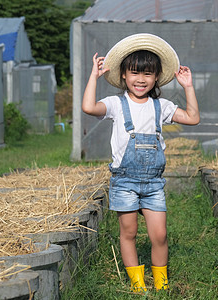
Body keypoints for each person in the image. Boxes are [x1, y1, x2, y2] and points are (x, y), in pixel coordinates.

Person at [82, 33, 200, 292]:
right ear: (124, 74)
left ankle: (161, 285)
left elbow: (192, 118)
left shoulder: (162, 106)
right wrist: (94, 76)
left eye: (147, 74)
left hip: (154, 184)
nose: (141, 79)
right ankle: (138, 286)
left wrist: (188, 86)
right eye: (134, 73)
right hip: (124, 182)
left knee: (159, 235)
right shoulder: (115, 104)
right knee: (130, 233)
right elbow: (89, 107)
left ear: (156, 77)